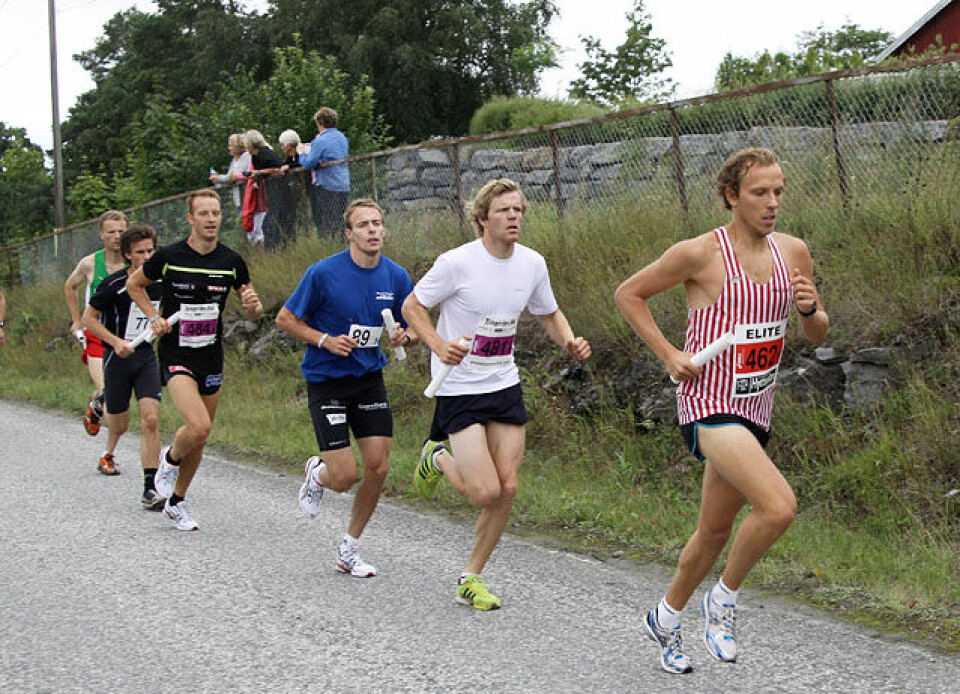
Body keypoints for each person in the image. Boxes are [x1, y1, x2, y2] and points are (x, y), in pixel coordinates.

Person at [614, 147, 829, 674]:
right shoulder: (700, 254)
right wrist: (670, 354)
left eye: (778, 191)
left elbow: (817, 332)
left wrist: (808, 308)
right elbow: (629, 294)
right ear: (732, 196)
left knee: (712, 532)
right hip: (709, 403)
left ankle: (665, 616)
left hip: (757, 405)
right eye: (760, 192)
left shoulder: (793, 252)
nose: (772, 202)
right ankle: (724, 598)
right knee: (778, 507)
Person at [402, 178, 591, 610]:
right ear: (482, 218)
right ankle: (437, 457)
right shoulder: (456, 263)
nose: (514, 217)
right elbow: (413, 306)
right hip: (461, 389)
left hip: (503, 382)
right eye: (504, 210)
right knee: (484, 491)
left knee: (507, 487)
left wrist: (569, 341)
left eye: (519, 210)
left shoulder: (532, 264)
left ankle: (471, 577)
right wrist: (437, 344)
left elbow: (548, 311)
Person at [276, 198, 416, 578]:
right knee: (343, 477)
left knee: (379, 466)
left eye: (378, 223)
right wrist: (324, 340)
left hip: (369, 380)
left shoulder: (396, 277)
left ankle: (350, 548)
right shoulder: (323, 273)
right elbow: (286, 318)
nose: (373, 230)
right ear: (349, 233)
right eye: (364, 224)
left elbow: (413, 325)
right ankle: (317, 474)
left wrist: (406, 336)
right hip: (327, 381)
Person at [127, 189, 263, 531]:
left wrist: (253, 308)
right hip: (176, 352)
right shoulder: (170, 256)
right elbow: (134, 285)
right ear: (191, 219)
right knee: (198, 425)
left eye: (216, 213)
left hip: (211, 354)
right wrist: (153, 316)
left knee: (202, 436)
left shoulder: (232, 261)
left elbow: (252, 308)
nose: (211, 219)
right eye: (204, 213)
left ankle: (177, 501)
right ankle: (169, 460)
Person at [82, 224, 164, 506]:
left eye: (151, 251)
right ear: (128, 255)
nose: (147, 257)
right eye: (140, 252)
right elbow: (88, 319)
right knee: (119, 423)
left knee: (151, 420)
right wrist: (116, 342)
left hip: (145, 358)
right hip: (116, 358)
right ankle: (104, 429)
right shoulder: (114, 285)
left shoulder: (163, 282)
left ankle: (150, 488)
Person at [64, 210, 129, 437]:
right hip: (96, 333)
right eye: (111, 232)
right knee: (108, 391)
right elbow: (70, 286)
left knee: (119, 395)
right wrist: (76, 320)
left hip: (124, 334)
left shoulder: (134, 263)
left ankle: (95, 403)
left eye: (121, 231)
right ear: (101, 234)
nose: (117, 236)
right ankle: (108, 454)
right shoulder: (90, 263)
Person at [297, 107, 350, 239]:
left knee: (328, 221)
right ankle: (342, 242)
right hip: (343, 183)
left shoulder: (320, 140)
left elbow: (309, 163)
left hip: (328, 184)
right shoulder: (342, 137)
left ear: (320, 122)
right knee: (342, 218)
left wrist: (301, 152)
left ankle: (330, 245)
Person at [243, 129, 286, 250]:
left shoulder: (266, 153)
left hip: (279, 188)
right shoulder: (255, 157)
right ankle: (273, 248)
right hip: (268, 191)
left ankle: (274, 247)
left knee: (270, 222)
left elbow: (279, 168)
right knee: (268, 222)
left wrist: (259, 172)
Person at [209, 133, 250, 213]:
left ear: (238, 146)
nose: (229, 148)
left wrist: (219, 178)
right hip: (238, 199)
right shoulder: (234, 161)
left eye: (231, 145)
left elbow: (235, 175)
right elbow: (229, 177)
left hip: (247, 196)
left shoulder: (246, 156)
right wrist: (222, 178)